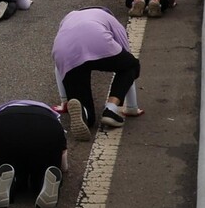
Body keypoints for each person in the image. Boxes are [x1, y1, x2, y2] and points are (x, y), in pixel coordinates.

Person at [52, 8, 142, 137]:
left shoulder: (69, 16)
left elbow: (58, 67)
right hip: (99, 42)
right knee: (131, 65)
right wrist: (132, 107)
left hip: (65, 54)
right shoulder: (109, 18)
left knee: (88, 115)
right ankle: (111, 109)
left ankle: (84, 113)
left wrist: (64, 102)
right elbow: (128, 61)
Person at [0, 101, 68, 208]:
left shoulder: (3, 110)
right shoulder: (53, 117)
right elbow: (63, 159)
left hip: (2, 126)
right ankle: (43, 180)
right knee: (42, 169)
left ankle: (12, 178)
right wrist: (60, 167)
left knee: (16, 168)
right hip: (47, 128)